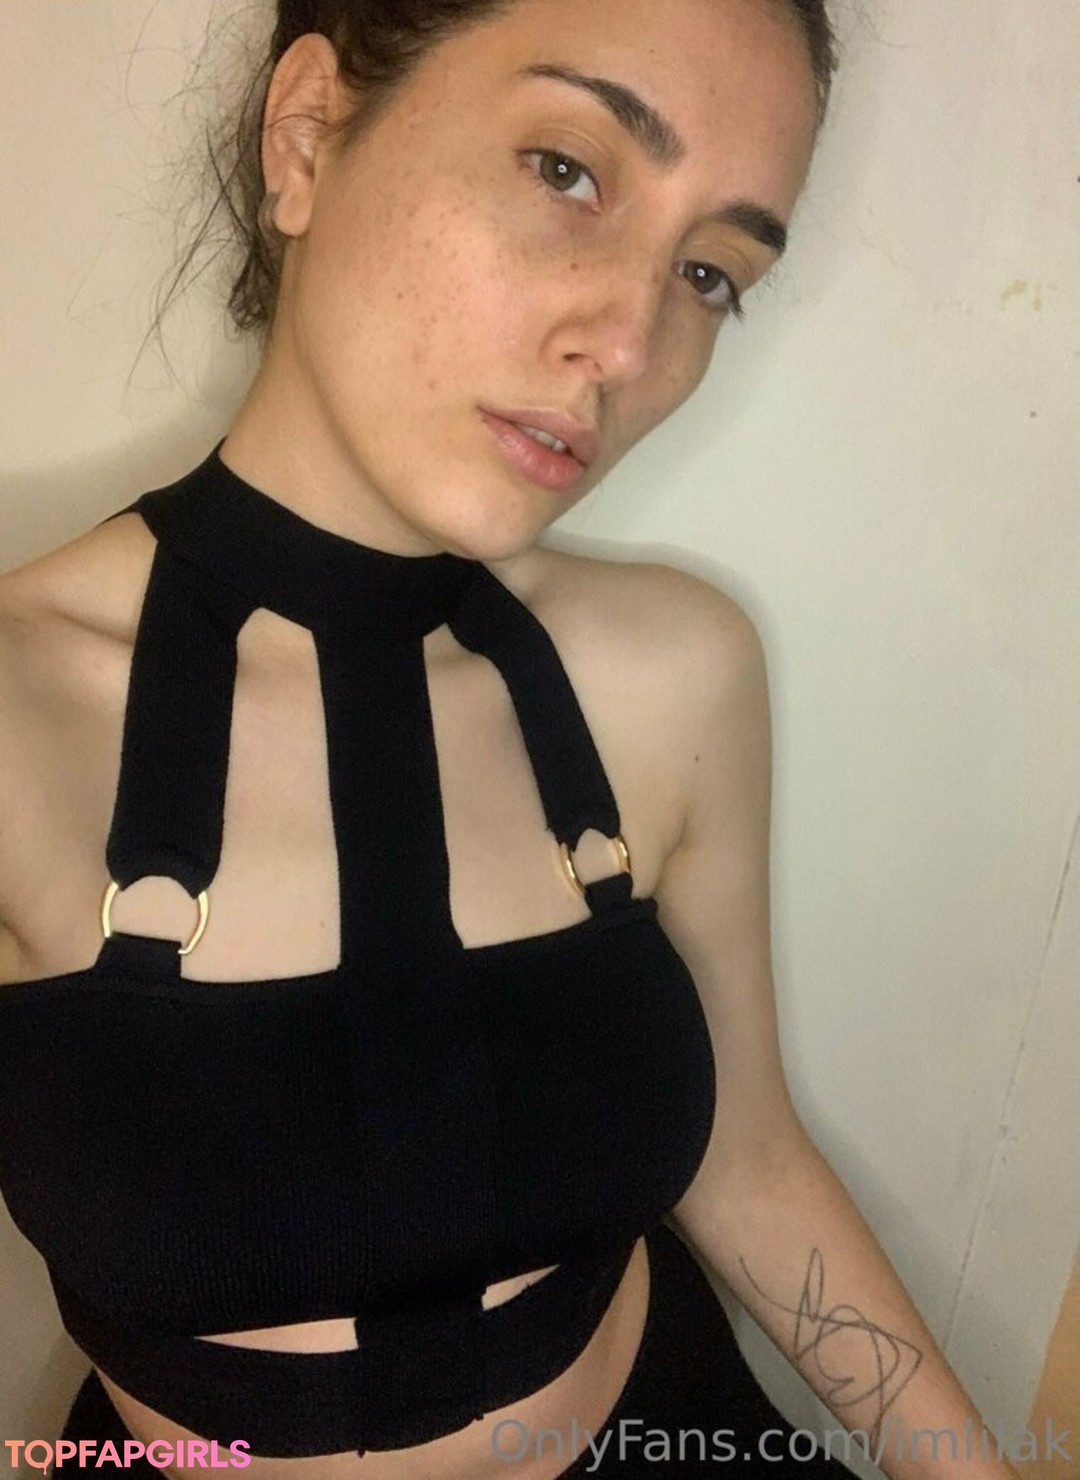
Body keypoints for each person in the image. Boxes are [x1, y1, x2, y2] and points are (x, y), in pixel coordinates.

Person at [0, 2, 1022, 1477]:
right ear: (307, 132)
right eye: (567, 169)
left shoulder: (674, 674)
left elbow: (744, 1158)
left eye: (710, 273)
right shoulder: (22, 711)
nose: (628, 343)